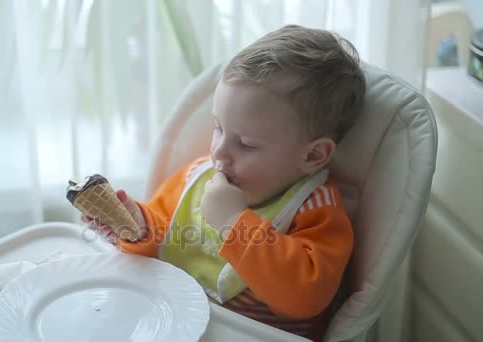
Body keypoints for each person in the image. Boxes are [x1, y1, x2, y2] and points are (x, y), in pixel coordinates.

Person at [84, 24, 365, 341]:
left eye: (246, 143)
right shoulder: (197, 177)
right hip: (175, 323)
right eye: (218, 128)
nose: (218, 151)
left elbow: (304, 298)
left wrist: (233, 223)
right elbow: (161, 241)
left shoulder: (315, 209)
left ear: (313, 155)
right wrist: (136, 225)